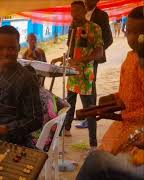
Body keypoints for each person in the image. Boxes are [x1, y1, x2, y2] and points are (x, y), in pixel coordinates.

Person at [76, 6, 144, 180]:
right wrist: (110, 101)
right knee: (99, 158)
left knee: (97, 162)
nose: (134, 38)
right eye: (130, 32)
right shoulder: (130, 58)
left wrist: (124, 116)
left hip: (138, 133)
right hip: (125, 126)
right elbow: (127, 95)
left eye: (140, 33)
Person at [51, 1, 104, 149]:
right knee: (69, 103)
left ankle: (93, 144)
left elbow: (99, 52)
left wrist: (80, 60)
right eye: (71, 11)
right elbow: (71, 51)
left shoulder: (94, 28)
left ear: (84, 10)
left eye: (77, 11)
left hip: (86, 76)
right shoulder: (72, 28)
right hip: (72, 74)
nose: (73, 14)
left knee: (90, 109)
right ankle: (66, 129)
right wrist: (61, 59)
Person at [76, 0, 113, 129]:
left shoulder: (102, 15)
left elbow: (109, 38)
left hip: (92, 59)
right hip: (78, 59)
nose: (87, 0)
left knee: (90, 87)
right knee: (80, 87)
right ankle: (86, 114)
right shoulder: (80, 13)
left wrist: (96, 51)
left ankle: (90, 117)